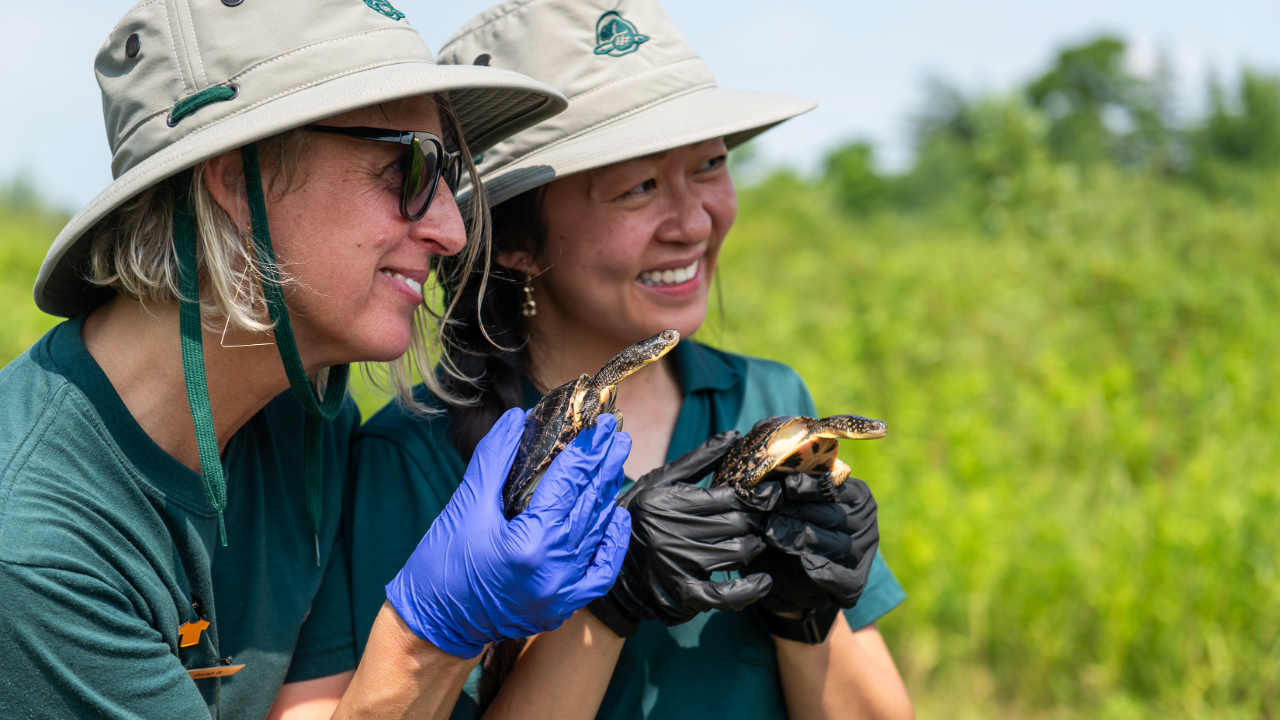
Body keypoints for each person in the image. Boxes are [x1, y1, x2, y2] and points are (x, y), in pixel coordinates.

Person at [0, 1, 634, 718]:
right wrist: (431, 634)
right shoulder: (35, 552)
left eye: (449, 173)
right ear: (236, 181)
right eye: (407, 168)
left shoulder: (298, 414)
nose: (452, 230)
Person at [347, 1, 914, 719]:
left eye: (710, 165)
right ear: (516, 244)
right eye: (638, 188)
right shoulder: (415, 458)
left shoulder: (761, 400)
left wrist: (805, 615)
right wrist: (608, 603)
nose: (694, 221)